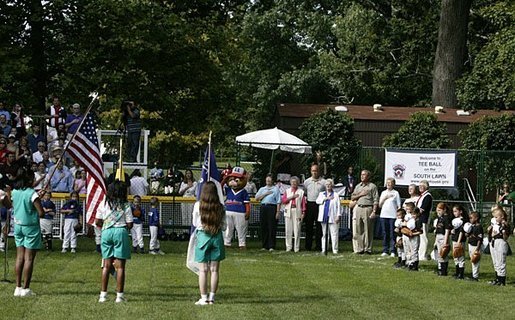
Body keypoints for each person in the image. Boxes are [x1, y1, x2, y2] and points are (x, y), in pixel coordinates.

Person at [96, 180, 133, 303]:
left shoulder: (103, 203)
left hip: (106, 232)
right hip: (120, 231)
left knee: (106, 265)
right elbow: (130, 223)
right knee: (120, 267)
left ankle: (103, 295)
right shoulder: (125, 205)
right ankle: (119, 296)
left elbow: (97, 221)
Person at [192, 181, 226, 305]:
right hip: (216, 236)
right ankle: (212, 297)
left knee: (203, 270)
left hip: (203, 236)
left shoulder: (198, 205)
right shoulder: (221, 207)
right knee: (215, 270)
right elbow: (224, 227)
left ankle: (203, 297)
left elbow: (195, 224)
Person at [12, 167, 43, 297]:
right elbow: (41, 213)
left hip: (18, 225)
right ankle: (26, 288)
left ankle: (18, 287)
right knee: (29, 258)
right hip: (30, 226)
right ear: (29, 179)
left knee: (19, 257)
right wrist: (38, 199)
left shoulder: (14, 191)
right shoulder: (32, 194)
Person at [351, 170, 379, 254]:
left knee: (368, 229)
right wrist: (361, 194)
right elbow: (352, 197)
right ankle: (360, 248)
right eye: (361, 175)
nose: (362, 176)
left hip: (368, 208)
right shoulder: (358, 186)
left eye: (364, 175)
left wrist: (374, 211)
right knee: (359, 229)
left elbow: (375, 200)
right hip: (359, 207)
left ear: (368, 176)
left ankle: (368, 248)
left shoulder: (372, 186)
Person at [254, 174, 281, 251]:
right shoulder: (262, 189)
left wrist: (277, 212)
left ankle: (271, 245)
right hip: (263, 207)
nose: (268, 181)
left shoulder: (275, 189)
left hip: (272, 207)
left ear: (272, 181)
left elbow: (278, 201)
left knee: (271, 226)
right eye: (267, 180)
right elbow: (257, 198)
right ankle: (264, 245)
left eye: (269, 180)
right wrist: (265, 194)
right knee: (264, 226)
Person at [303, 164, 326, 252]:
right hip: (309, 204)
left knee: (319, 226)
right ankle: (308, 246)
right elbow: (305, 192)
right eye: (313, 171)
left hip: (319, 205)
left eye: (316, 171)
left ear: (318, 171)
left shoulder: (323, 182)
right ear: (310, 171)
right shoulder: (307, 182)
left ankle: (318, 246)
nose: (314, 172)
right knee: (308, 226)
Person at [316, 179, 341, 254]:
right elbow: (318, 201)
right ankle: (324, 249)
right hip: (323, 217)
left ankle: (335, 250)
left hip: (333, 217)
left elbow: (338, 206)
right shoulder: (321, 194)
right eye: (326, 185)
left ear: (332, 185)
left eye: (329, 184)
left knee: (334, 234)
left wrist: (338, 215)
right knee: (324, 234)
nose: (328, 186)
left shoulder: (336, 195)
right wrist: (325, 198)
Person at [281, 176, 306, 252]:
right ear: (290, 183)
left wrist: (303, 213)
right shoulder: (287, 191)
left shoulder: (301, 192)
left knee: (297, 230)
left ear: (298, 183)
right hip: (288, 211)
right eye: (292, 182)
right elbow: (284, 201)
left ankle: (296, 248)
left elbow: (303, 204)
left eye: (295, 182)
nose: (294, 183)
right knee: (288, 230)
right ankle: (288, 247)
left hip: (297, 211)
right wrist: (292, 197)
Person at [378, 177, 401, 257]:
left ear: (393, 184)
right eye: (387, 182)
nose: (388, 184)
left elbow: (399, 205)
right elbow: (380, 205)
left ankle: (393, 250)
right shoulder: (383, 192)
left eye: (390, 183)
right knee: (385, 233)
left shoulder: (396, 193)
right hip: (384, 215)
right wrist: (385, 198)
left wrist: (399, 217)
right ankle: (385, 250)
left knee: (392, 233)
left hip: (392, 216)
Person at [488, 207, 510, 286]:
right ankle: (497, 278)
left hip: (501, 242)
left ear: (502, 216)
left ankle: (502, 280)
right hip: (494, 241)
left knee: (501, 262)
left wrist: (503, 231)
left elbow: (506, 237)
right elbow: (491, 233)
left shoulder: (505, 225)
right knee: (496, 262)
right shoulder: (495, 224)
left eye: (496, 217)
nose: (495, 218)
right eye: (494, 217)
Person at [433, 202, 452, 276]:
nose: (438, 212)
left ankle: (444, 271)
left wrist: (445, 241)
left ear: (444, 210)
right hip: (438, 236)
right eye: (437, 210)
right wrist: (435, 241)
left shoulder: (446, 218)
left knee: (443, 254)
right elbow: (437, 230)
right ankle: (440, 269)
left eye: (440, 210)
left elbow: (447, 230)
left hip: (443, 237)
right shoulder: (439, 218)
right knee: (439, 254)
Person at [415, 180, 433, 261]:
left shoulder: (428, 196)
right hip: (419, 219)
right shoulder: (422, 195)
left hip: (423, 219)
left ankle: (423, 255)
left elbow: (422, 209)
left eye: (423, 185)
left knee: (423, 237)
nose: (420, 187)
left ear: (426, 187)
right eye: (419, 185)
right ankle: (420, 253)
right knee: (420, 236)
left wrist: (414, 214)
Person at [465, 211, 483, 281]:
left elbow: (479, 239)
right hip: (471, 244)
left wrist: (477, 249)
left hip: (475, 246)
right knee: (472, 260)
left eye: (471, 218)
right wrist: (467, 235)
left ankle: (475, 276)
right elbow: (471, 235)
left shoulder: (479, 227)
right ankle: (473, 275)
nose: (470, 219)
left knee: (475, 261)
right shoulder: (472, 226)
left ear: (476, 218)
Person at [404, 207, 423, 271]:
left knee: (414, 251)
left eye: (414, 214)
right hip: (410, 237)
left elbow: (420, 231)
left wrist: (412, 234)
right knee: (410, 250)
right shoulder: (411, 220)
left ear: (418, 214)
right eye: (412, 214)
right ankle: (411, 263)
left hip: (415, 237)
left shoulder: (419, 221)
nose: (413, 216)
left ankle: (415, 265)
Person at [450, 205, 467, 280]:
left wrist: (459, 242)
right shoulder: (455, 220)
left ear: (460, 211)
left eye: (456, 211)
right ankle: (457, 272)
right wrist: (452, 231)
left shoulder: (462, 220)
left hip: (460, 240)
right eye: (453, 211)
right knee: (455, 256)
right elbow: (455, 229)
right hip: (454, 239)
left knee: (460, 256)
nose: (454, 213)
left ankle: (461, 274)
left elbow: (461, 232)